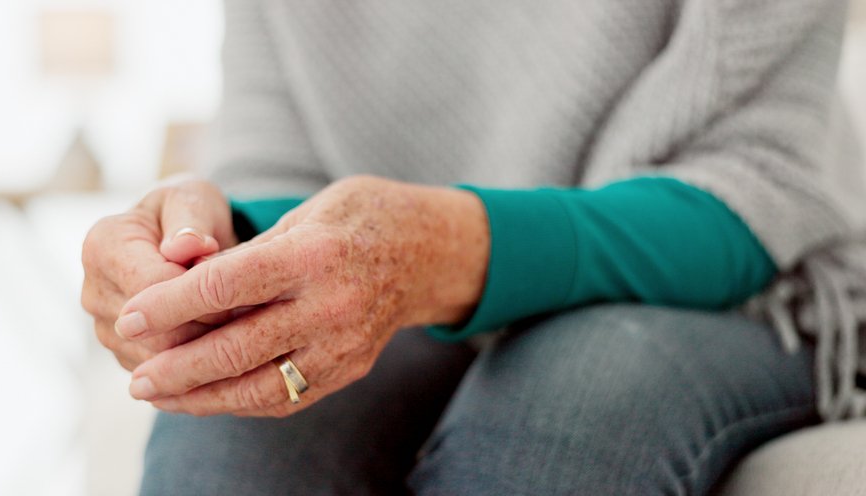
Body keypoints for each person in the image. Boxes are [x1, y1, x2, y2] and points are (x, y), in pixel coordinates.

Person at [80, 0, 866, 494]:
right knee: (231, 425)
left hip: (748, 287)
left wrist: (442, 250)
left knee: (569, 402)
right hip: (423, 297)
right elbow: (278, 172)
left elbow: (757, 182)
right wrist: (211, 252)